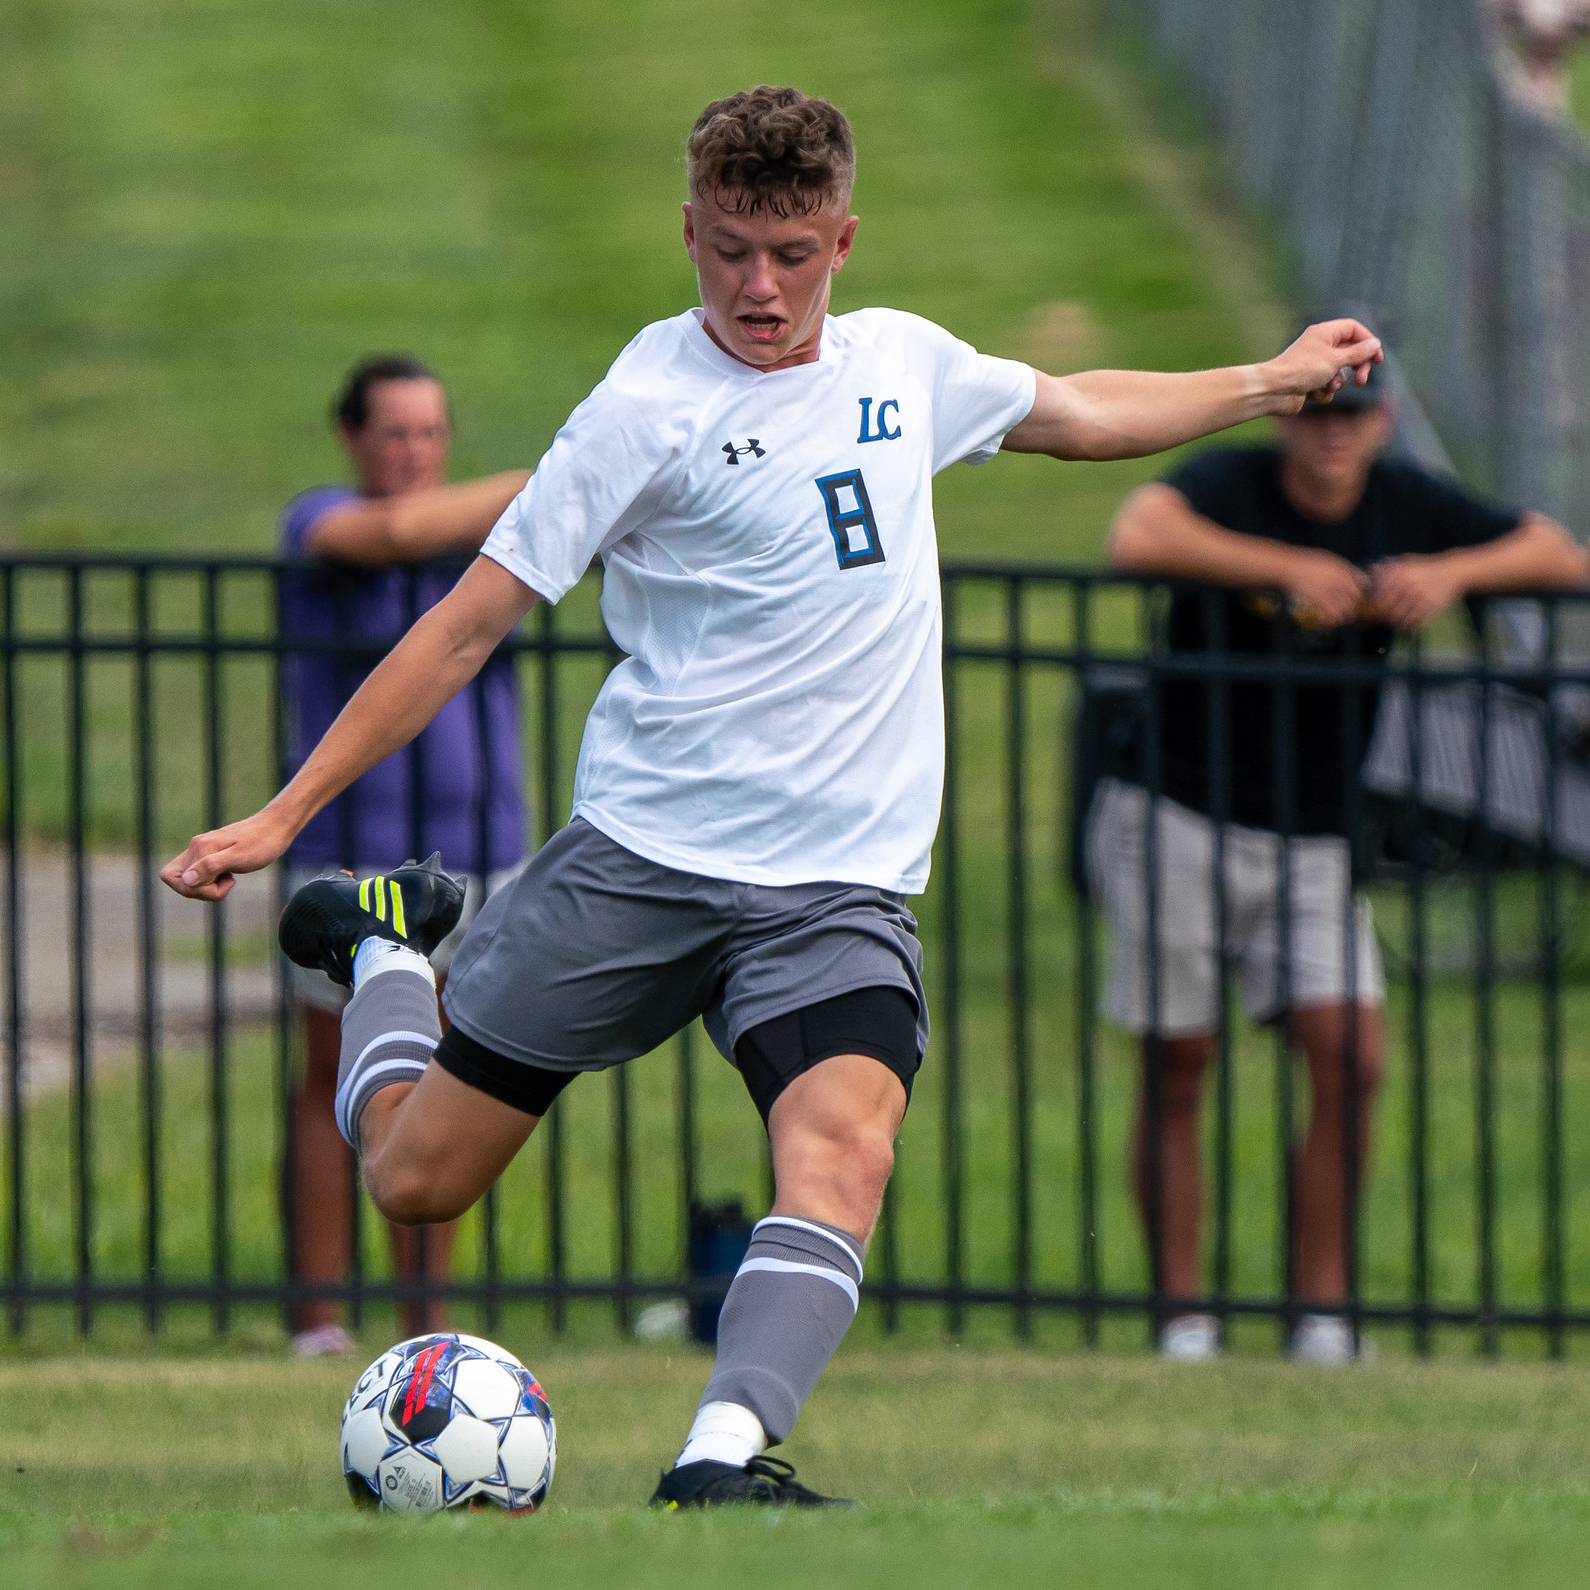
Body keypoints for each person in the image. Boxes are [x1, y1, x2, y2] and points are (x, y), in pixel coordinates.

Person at [164, 86, 1383, 1504]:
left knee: (843, 1148)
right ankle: (382, 942)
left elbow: (1081, 411)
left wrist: (1265, 375)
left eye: (791, 252)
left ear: (843, 239)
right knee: (414, 1179)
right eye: (731, 248)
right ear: (689, 230)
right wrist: (283, 816)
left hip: (834, 886)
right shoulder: (642, 408)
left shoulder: (902, 366)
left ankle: (718, 1458)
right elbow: (464, 622)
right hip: (640, 858)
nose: (758, 285)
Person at [1094, 358, 1584, 1364]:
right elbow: (1137, 534)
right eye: (1317, 411)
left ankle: (1321, 1317)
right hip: (1178, 809)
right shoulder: (1231, 485)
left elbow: (1556, 553)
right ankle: (1181, 1316)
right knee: (1179, 1060)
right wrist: (1276, 569)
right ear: (1287, 413)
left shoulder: (1406, 499)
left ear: (1383, 420)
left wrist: (1449, 577)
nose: (1333, 433)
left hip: (1315, 836)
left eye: (1354, 415)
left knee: (1351, 1057)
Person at [278, 354, 530, 1357]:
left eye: (431, 433)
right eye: (395, 432)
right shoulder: (321, 522)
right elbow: (386, 535)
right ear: (351, 438)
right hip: (348, 860)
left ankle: (427, 1329)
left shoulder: (488, 543)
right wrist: (557, 480)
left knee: (449, 1085)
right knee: (329, 1081)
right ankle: (319, 1322)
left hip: (479, 855)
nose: (415, 452)